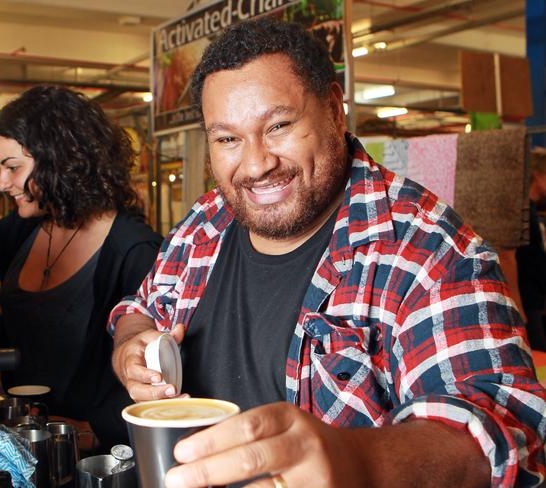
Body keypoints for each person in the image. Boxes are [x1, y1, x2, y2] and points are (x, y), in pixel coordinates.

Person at [110, 18, 546, 487]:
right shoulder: (205, 222)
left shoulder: (425, 247)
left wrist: (356, 461)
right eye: (228, 139)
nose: (256, 164)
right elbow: (141, 309)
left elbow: (500, 429)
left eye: (278, 125)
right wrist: (130, 347)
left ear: (335, 111)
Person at [0, 85, 162, 449]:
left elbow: (157, 368)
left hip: (95, 450)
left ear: (61, 159)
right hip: (26, 431)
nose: (3, 184)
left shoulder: (135, 249)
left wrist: (93, 428)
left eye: (13, 167)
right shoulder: (29, 225)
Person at [516, 148, 546, 352]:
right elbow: (511, 256)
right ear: (539, 175)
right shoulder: (523, 210)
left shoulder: (530, 209)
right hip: (526, 303)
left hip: (532, 301)